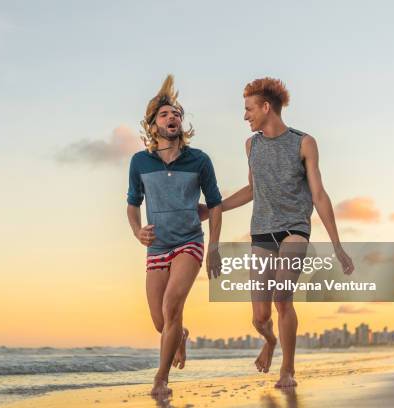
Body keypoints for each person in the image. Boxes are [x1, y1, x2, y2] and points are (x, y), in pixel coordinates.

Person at [200, 77, 354, 388]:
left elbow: (319, 195)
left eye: (249, 109)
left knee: (283, 297)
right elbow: (252, 190)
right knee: (259, 317)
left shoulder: (304, 142)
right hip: (261, 235)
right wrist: (214, 208)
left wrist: (337, 246)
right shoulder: (251, 145)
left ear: (266, 107)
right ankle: (269, 341)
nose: (245, 115)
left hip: (295, 230)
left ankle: (288, 370)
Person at [127, 75, 223, 397]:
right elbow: (132, 204)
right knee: (161, 321)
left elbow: (215, 205)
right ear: (153, 125)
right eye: (166, 114)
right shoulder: (139, 162)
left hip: (189, 243)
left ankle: (161, 378)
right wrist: (137, 230)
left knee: (171, 306)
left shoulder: (200, 160)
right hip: (157, 247)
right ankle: (179, 336)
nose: (173, 118)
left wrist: (214, 248)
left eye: (177, 114)